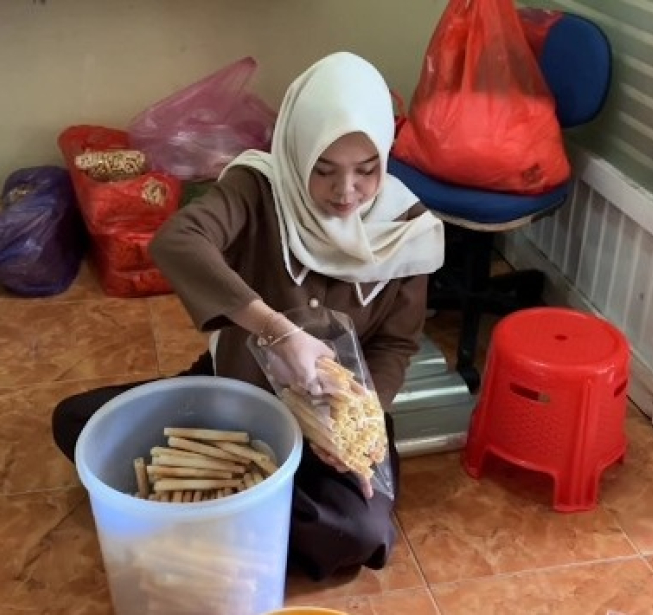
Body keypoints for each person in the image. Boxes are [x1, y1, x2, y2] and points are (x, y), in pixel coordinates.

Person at [51, 51, 445, 581]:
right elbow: (178, 241)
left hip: (331, 424)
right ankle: (247, 517)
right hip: (235, 394)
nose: (345, 192)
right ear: (296, 152)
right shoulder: (260, 188)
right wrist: (277, 331)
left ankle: (214, 521)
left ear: (385, 158)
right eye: (323, 170)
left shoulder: (407, 230)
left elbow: (395, 346)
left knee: (360, 536)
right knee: (77, 423)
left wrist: (358, 421)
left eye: (366, 170)